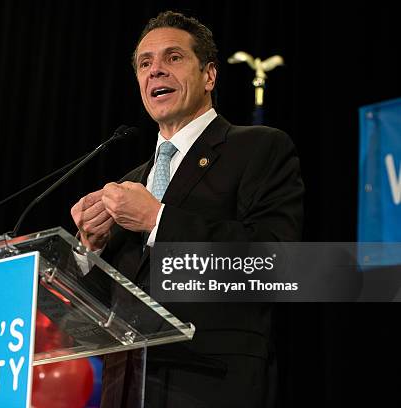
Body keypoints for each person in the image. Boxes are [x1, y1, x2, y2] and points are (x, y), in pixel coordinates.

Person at [71, 10, 304, 408]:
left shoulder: (258, 148)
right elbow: (100, 313)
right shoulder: (131, 183)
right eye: (145, 63)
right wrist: (88, 251)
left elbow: (276, 264)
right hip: (126, 389)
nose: (155, 71)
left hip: (209, 384)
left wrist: (157, 220)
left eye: (173, 58)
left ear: (209, 75)